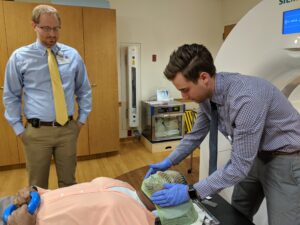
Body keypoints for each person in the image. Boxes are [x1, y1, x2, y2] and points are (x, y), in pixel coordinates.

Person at [144, 43, 300, 225]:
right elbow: (196, 135)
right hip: (255, 154)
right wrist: (169, 161)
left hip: (286, 158)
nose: (183, 96)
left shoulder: (246, 99)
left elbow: (238, 167)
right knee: (238, 210)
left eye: (184, 89)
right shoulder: (207, 97)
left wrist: (189, 192)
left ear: (203, 78)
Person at [3, 5, 92, 189]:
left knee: (69, 184)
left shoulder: (72, 55)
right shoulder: (19, 57)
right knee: (37, 187)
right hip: (37, 133)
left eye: (56, 28)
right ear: (34, 26)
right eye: (46, 28)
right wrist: (20, 129)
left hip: (67, 130)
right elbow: (11, 95)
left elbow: (84, 89)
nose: (52, 34)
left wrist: (80, 121)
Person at [3, 177, 155, 225]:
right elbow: (69, 193)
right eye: (164, 173)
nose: (160, 174)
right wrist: (35, 191)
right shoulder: (120, 184)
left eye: (168, 180)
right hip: (20, 204)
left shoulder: (136, 218)